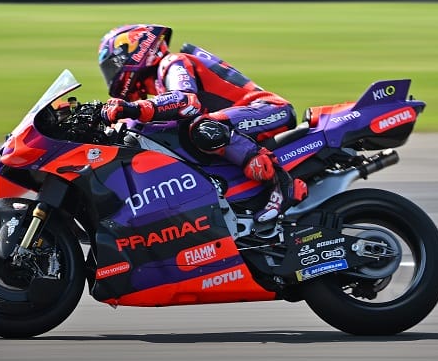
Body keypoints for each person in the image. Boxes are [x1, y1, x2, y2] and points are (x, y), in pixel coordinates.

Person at [96, 24, 306, 229]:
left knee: (204, 128)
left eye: (112, 66)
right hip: (242, 121)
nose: (112, 76)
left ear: (135, 51)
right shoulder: (161, 83)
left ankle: (282, 183)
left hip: (271, 110)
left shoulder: (172, 62)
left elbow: (186, 101)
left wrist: (132, 108)